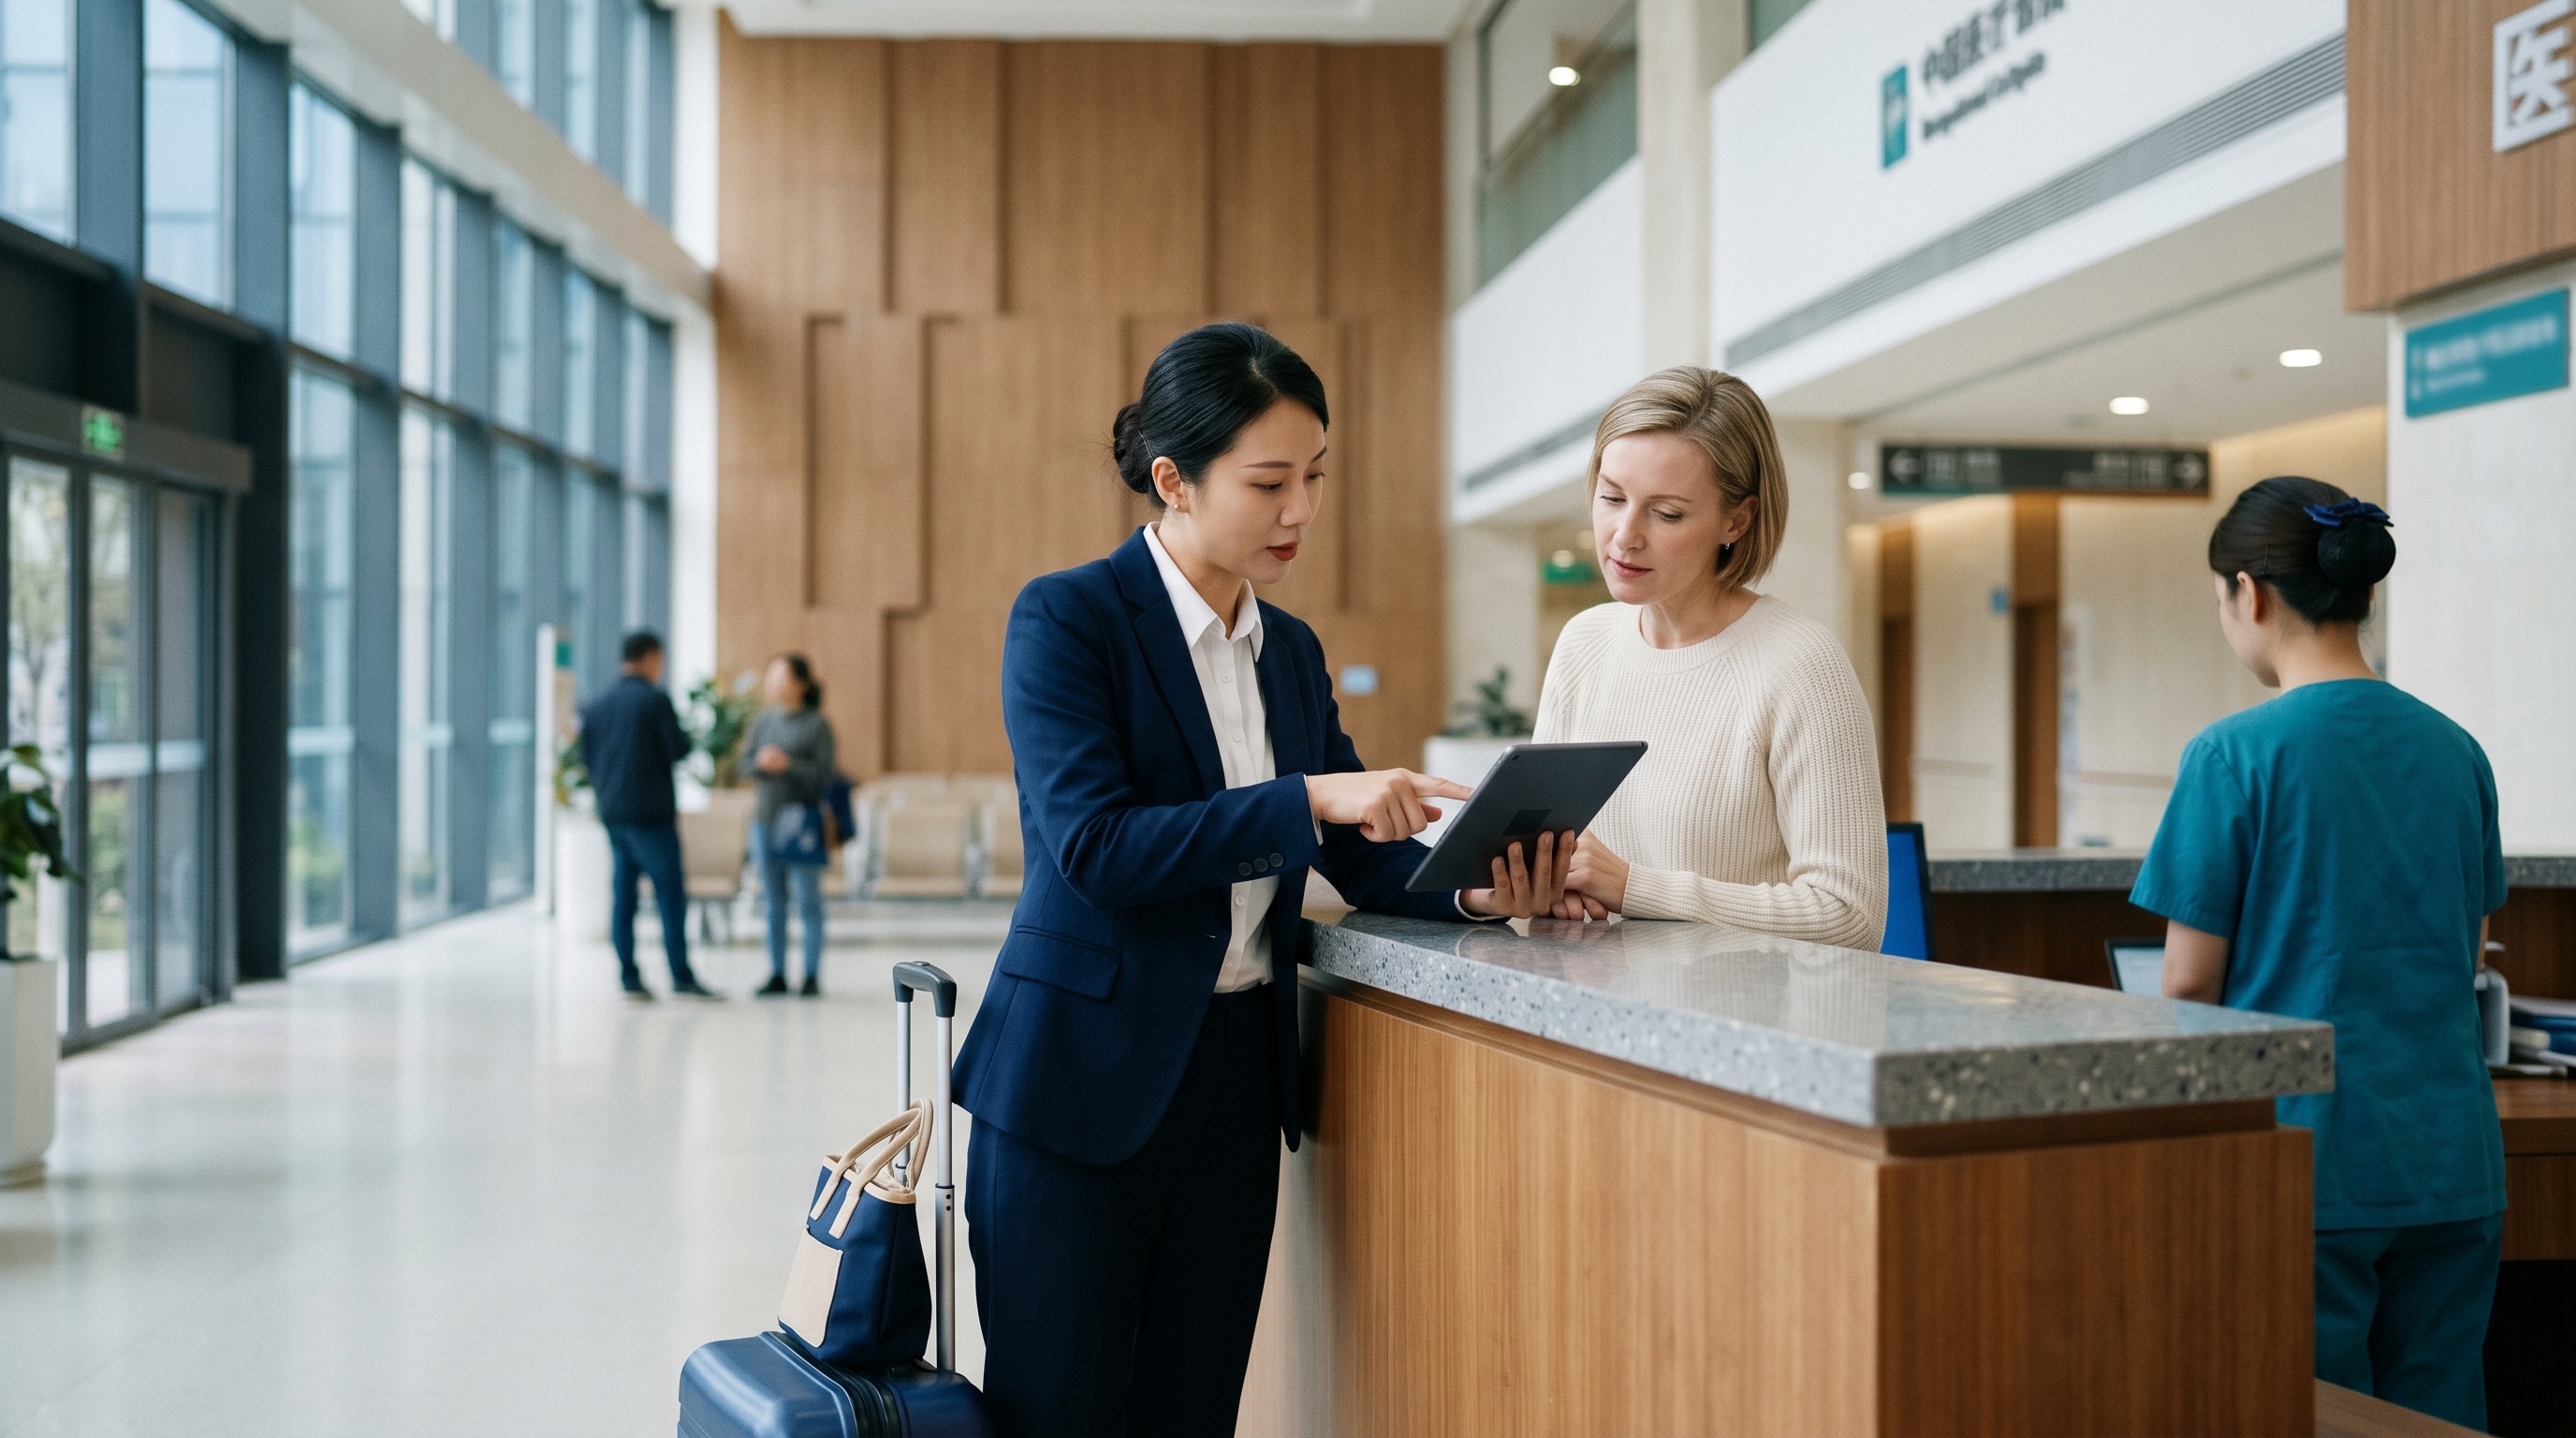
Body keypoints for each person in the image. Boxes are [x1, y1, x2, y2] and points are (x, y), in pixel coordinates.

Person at [954, 322, 1568, 1438]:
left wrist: (1483, 888)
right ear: (1172, 481)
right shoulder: (1068, 618)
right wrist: (1307, 800)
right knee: (1060, 1412)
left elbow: (1365, 854)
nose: (1301, 512)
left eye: (1317, 478)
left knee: (1193, 1411)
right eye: (1270, 482)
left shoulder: (1285, 651)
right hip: (1076, 1093)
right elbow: (1094, 850)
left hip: (1232, 1092)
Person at [2130, 477, 2503, 1429]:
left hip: (2309, 1163)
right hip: (2450, 1162)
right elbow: (2468, 949)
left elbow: (2184, 982)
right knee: (2440, 1419)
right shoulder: (2456, 751)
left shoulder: (2234, 755)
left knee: (2313, 1416)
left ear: (2248, 594)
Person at [1535, 366, 1886, 948]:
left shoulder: (1801, 664)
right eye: (1612, 497)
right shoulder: (1583, 643)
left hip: (1743, 1028)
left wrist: (1636, 889)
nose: (1624, 535)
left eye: (1666, 513)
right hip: (1594, 1013)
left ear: (1737, 520)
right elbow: (1547, 850)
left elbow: (1849, 916)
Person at [578, 631, 719, 1001]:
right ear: (652, 657)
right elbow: (679, 748)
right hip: (651, 816)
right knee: (670, 895)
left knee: (623, 896)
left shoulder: (597, 706)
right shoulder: (654, 701)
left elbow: (588, 759)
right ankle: (681, 975)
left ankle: (629, 976)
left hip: (614, 814)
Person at [747, 653, 836, 998]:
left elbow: (824, 775)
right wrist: (760, 763)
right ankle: (776, 972)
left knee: (808, 900)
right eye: (771, 676)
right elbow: (744, 764)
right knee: (772, 901)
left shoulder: (817, 725)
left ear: (801, 683)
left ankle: (811, 974)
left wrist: (787, 765)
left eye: (780, 676)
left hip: (802, 824)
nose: (773, 683)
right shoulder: (763, 723)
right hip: (765, 821)